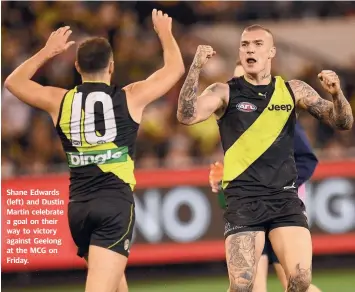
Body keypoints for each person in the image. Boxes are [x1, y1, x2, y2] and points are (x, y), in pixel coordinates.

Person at [4, 9, 184, 292]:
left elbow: (13, 82)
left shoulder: (59, 100)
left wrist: (47, 51)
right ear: (111, 65)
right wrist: (165, 33)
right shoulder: (130, 97)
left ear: (77, 66)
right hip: (114, 206)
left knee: (115, 285)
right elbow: (175, 70)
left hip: (79, 209)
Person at [176, 24, 353, 292]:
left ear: (271, 52)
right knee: (242, 287)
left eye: (257, 44)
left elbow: (343, 122)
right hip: (244, 201)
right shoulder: (224, 92)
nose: (250, 49)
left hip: (284, 199)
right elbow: (186, 116)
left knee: (301, 280)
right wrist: (195, 67)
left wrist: (336, 93)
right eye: (245, 44)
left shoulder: (293, 90)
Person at [210, 63, 321, 292]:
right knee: (251, 285)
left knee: (295, 282)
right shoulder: (233, 119)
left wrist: (278, 183)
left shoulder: (279, 117)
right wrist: (222, 179)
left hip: (282, 206)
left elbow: (307, 159)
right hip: (249, 206)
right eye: (237, 80)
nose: (241, 86)